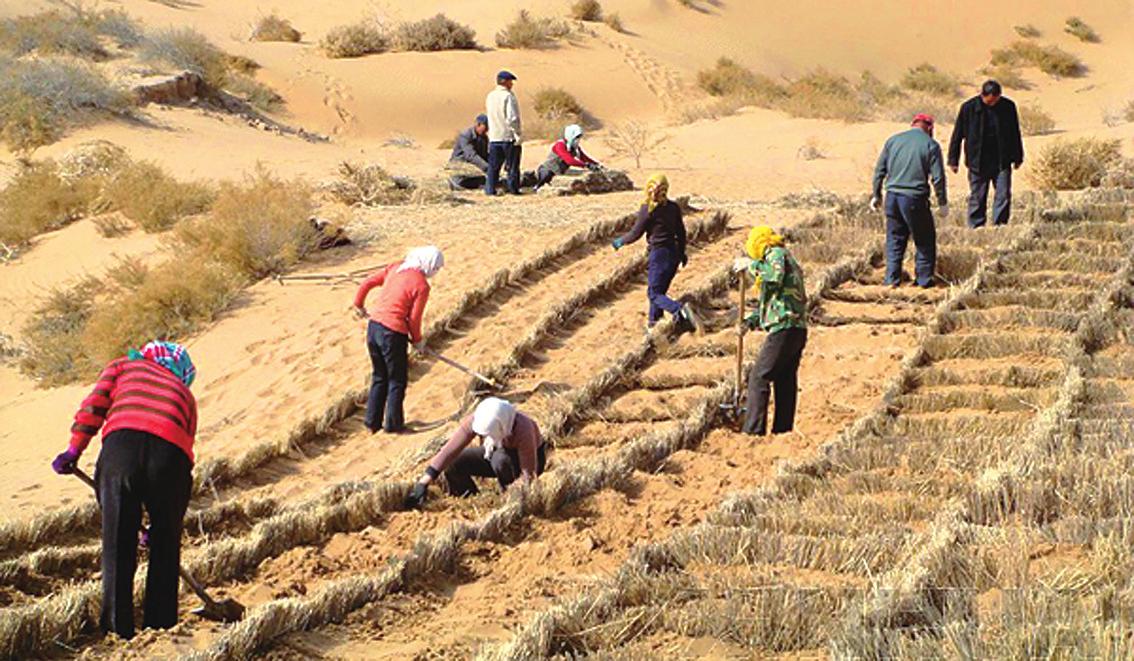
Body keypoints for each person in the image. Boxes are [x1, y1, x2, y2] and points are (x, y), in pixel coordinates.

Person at [50, 341, 198, 640]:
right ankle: (161, 624)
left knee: (118, 540)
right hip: (172, 460)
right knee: (166, 545)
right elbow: (186, 444)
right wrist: (160, 522)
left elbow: (93, 408)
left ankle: (118, 628)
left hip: (122, 451)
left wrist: (73, 451)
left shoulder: (123, 367)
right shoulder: (186, 395)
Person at [353, 246, 444, 434]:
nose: (435, 272)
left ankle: (372, 423)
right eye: (436, 268)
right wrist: (418, 341)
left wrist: (358, 305)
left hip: (374, 328)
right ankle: (393, 425)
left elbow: (367, 283)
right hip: (392, 334)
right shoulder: (421, 285)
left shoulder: (395, 267)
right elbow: (414, 319)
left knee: (379, 376)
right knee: (397, 379)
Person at [733, 227, 807, 437]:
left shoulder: (776, 254)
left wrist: (751, 265)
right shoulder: (782, 257)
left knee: (759, 376)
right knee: (784, 379)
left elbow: (775, 276)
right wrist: (750, 321)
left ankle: (753, 432)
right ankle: (782, 432)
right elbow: (773, 302)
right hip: (795, 328)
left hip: (785, 328)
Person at [404, 397, 544, 507]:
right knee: (454, 463)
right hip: (494, 451)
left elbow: (528, 475)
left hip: (528, 461)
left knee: (500, 461)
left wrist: (515, 493)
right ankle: (469, 498)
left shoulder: (523, 429)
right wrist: (423, 483)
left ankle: (508, 501)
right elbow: (449, 450)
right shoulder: (479, 418)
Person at [612, 173, 699, 332]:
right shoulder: (673, 207)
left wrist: (620, 241)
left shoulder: (648, 209)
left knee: (653, 294)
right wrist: (681, 253)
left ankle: (679, 309)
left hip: (659, 255)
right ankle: (654, 326)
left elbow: (635, 233)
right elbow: (681, 232)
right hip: (673, 253)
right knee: (659, 292)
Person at [871, 113, 949, 288]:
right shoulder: (931, 145)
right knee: (924, 239)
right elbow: (938, 178)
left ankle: (891, 280)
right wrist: (942, 202)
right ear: (929, 128)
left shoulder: (893, 141)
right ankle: (923, 280)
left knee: (895, 239)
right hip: (914, 198)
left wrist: (876, 195)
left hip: (891, 197)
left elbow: (879, 171)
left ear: (912, 124)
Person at [947, 80, 1024, 228]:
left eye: (996, 101)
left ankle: (1000, 226)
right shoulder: (969, 108)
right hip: (978, 161)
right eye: (989, 102)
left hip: (1002, 160)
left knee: (1003, 195)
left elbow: (1015, 133)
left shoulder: (1008, 107)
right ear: (982, 95)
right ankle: (976, 226)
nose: (992, 104)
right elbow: (957, 134)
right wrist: (953, 160)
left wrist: (1018, 156)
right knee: (977, 196)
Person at [485, 70, 522, 196]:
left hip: (494, 136)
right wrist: (517, 133)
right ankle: (513, 189)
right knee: (512, 166)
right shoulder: (508, 96)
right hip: (508, 136)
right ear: (505, 82)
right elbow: (512, 118)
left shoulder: (490, 96)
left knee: (493, 166)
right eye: (510, 81)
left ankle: (490, 189)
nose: (512, 84)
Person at [532, 124, 601, 192]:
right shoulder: (560, 145)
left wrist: (597, 164)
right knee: (546, 175)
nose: (578, 140)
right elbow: (569, 161)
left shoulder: (575, 148)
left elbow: (584, 157)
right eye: (576, 137)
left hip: (559, 173)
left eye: (579, 137)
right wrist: (586, 165)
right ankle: (537, 186)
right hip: (547, 171)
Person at [446, 114, 490, 190]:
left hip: (474, 169)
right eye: (486, 127)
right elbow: (470, 155)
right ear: (478, 124)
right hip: (460, 168)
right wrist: (487, 167)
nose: (487, 130)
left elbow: (484, 155)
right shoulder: (465, 135)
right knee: (460, 182)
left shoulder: (484, 138)